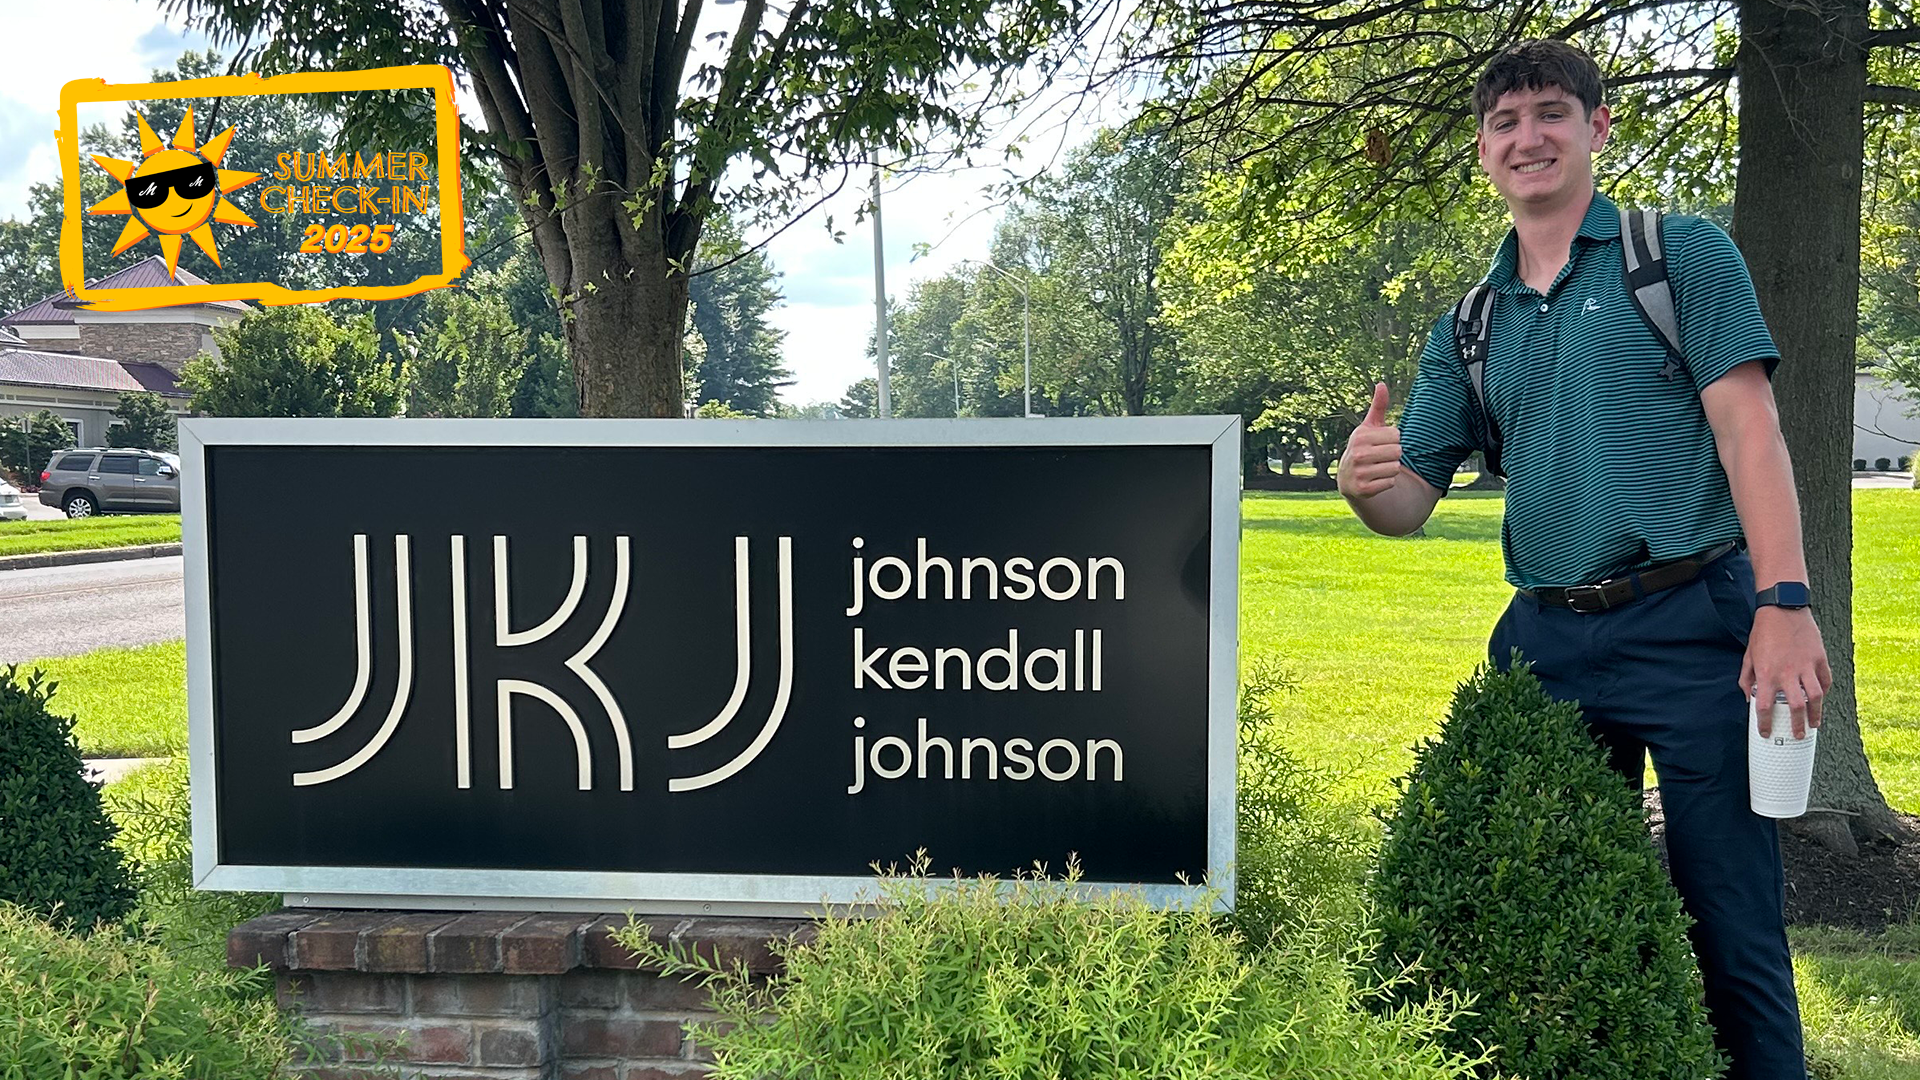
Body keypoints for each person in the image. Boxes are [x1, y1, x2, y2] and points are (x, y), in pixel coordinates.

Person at [1338, 39, 1831, 1080]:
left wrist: (1784, 604)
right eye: (1506, 123)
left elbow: (1751, 433)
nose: (1529, 138)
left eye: (1551, 113)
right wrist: (1364, 483)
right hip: (1546, 643)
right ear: (1484, 150)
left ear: (1597, 127)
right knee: (1551, 914)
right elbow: (1409, 504)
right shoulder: (1470, 322)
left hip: (1696, 626)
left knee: (1731, 925)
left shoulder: (1678, 256)